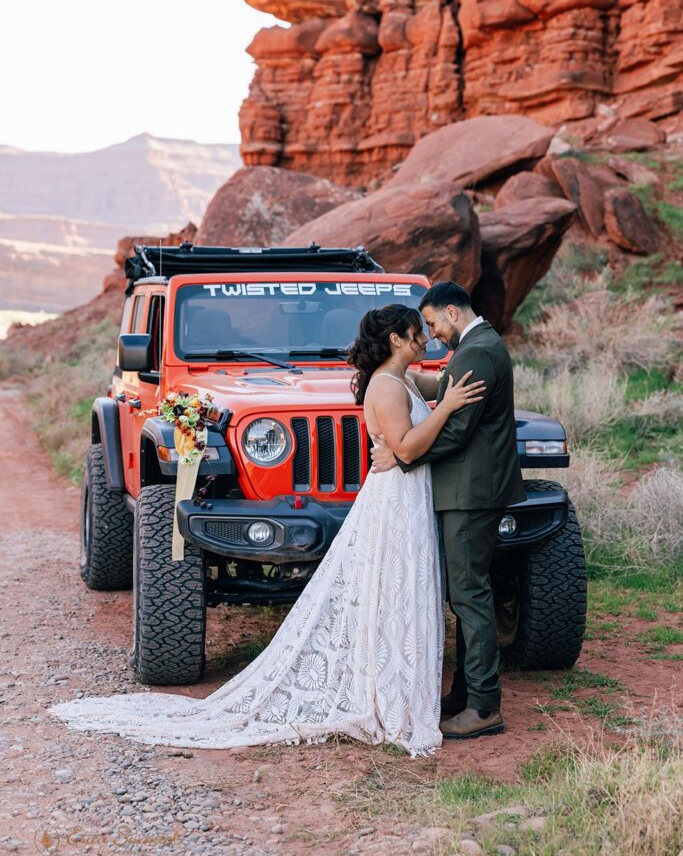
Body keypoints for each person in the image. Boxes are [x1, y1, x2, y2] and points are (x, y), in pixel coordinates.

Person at [49, 305, 484, 757]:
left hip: (396, 492)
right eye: (418, 333)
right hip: (382, 494)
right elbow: (409, 440)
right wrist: (437, 417)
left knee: (393, 588)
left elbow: (444, 382)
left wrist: (468, 357)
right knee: (388, 588)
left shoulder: (406, 379)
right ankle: (383, 687)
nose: (425, 340)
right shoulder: (387, 385)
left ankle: (392, 680)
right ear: (396, 339)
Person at [371, 282, 526, 740]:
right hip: (471, 489)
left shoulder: (475, 352)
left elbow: (456, 433)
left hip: (470, 491)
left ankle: (483, 707)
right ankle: (463, 693)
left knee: (469, 596)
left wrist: (401, 456)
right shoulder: (481, 345)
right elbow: (443, 389)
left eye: (435, 323)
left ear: (453, 312)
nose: (434, 334)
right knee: (466, 593)